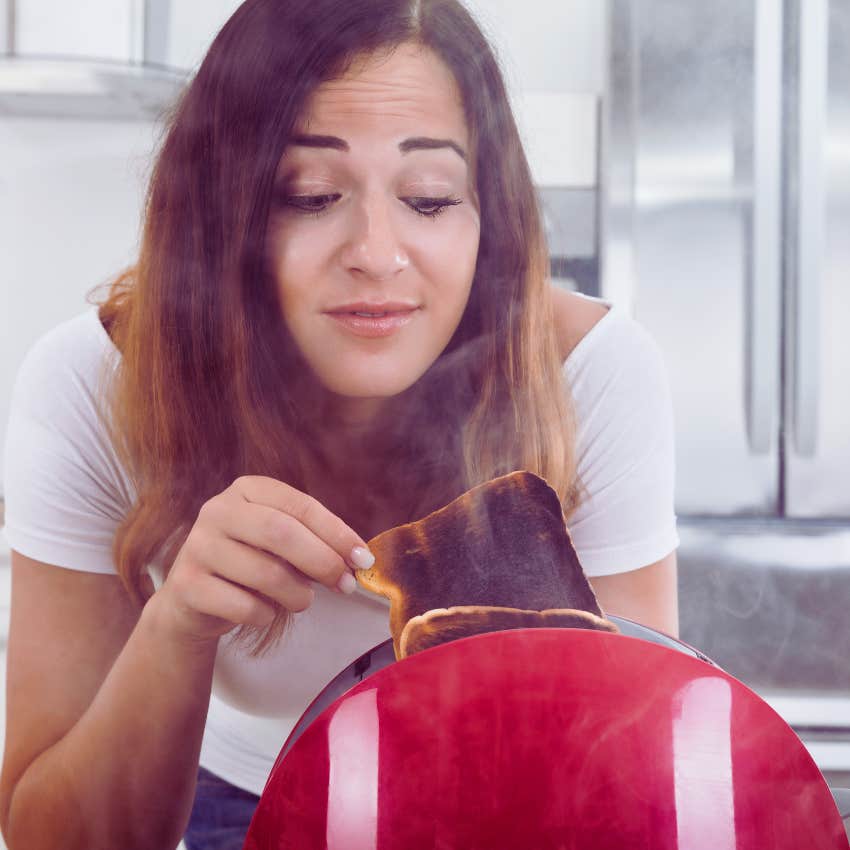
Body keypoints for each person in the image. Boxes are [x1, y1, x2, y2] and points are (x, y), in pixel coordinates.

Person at [0, 0, 679, 847]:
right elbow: (45, 834)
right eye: (311, 195)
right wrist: (178, 623)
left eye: (429, 200)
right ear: (225, 220)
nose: (377, 253)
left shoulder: (587, 375)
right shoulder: (95, 385)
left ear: (488, 220)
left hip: (498, 801)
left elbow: (640, 774)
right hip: (232, 791)